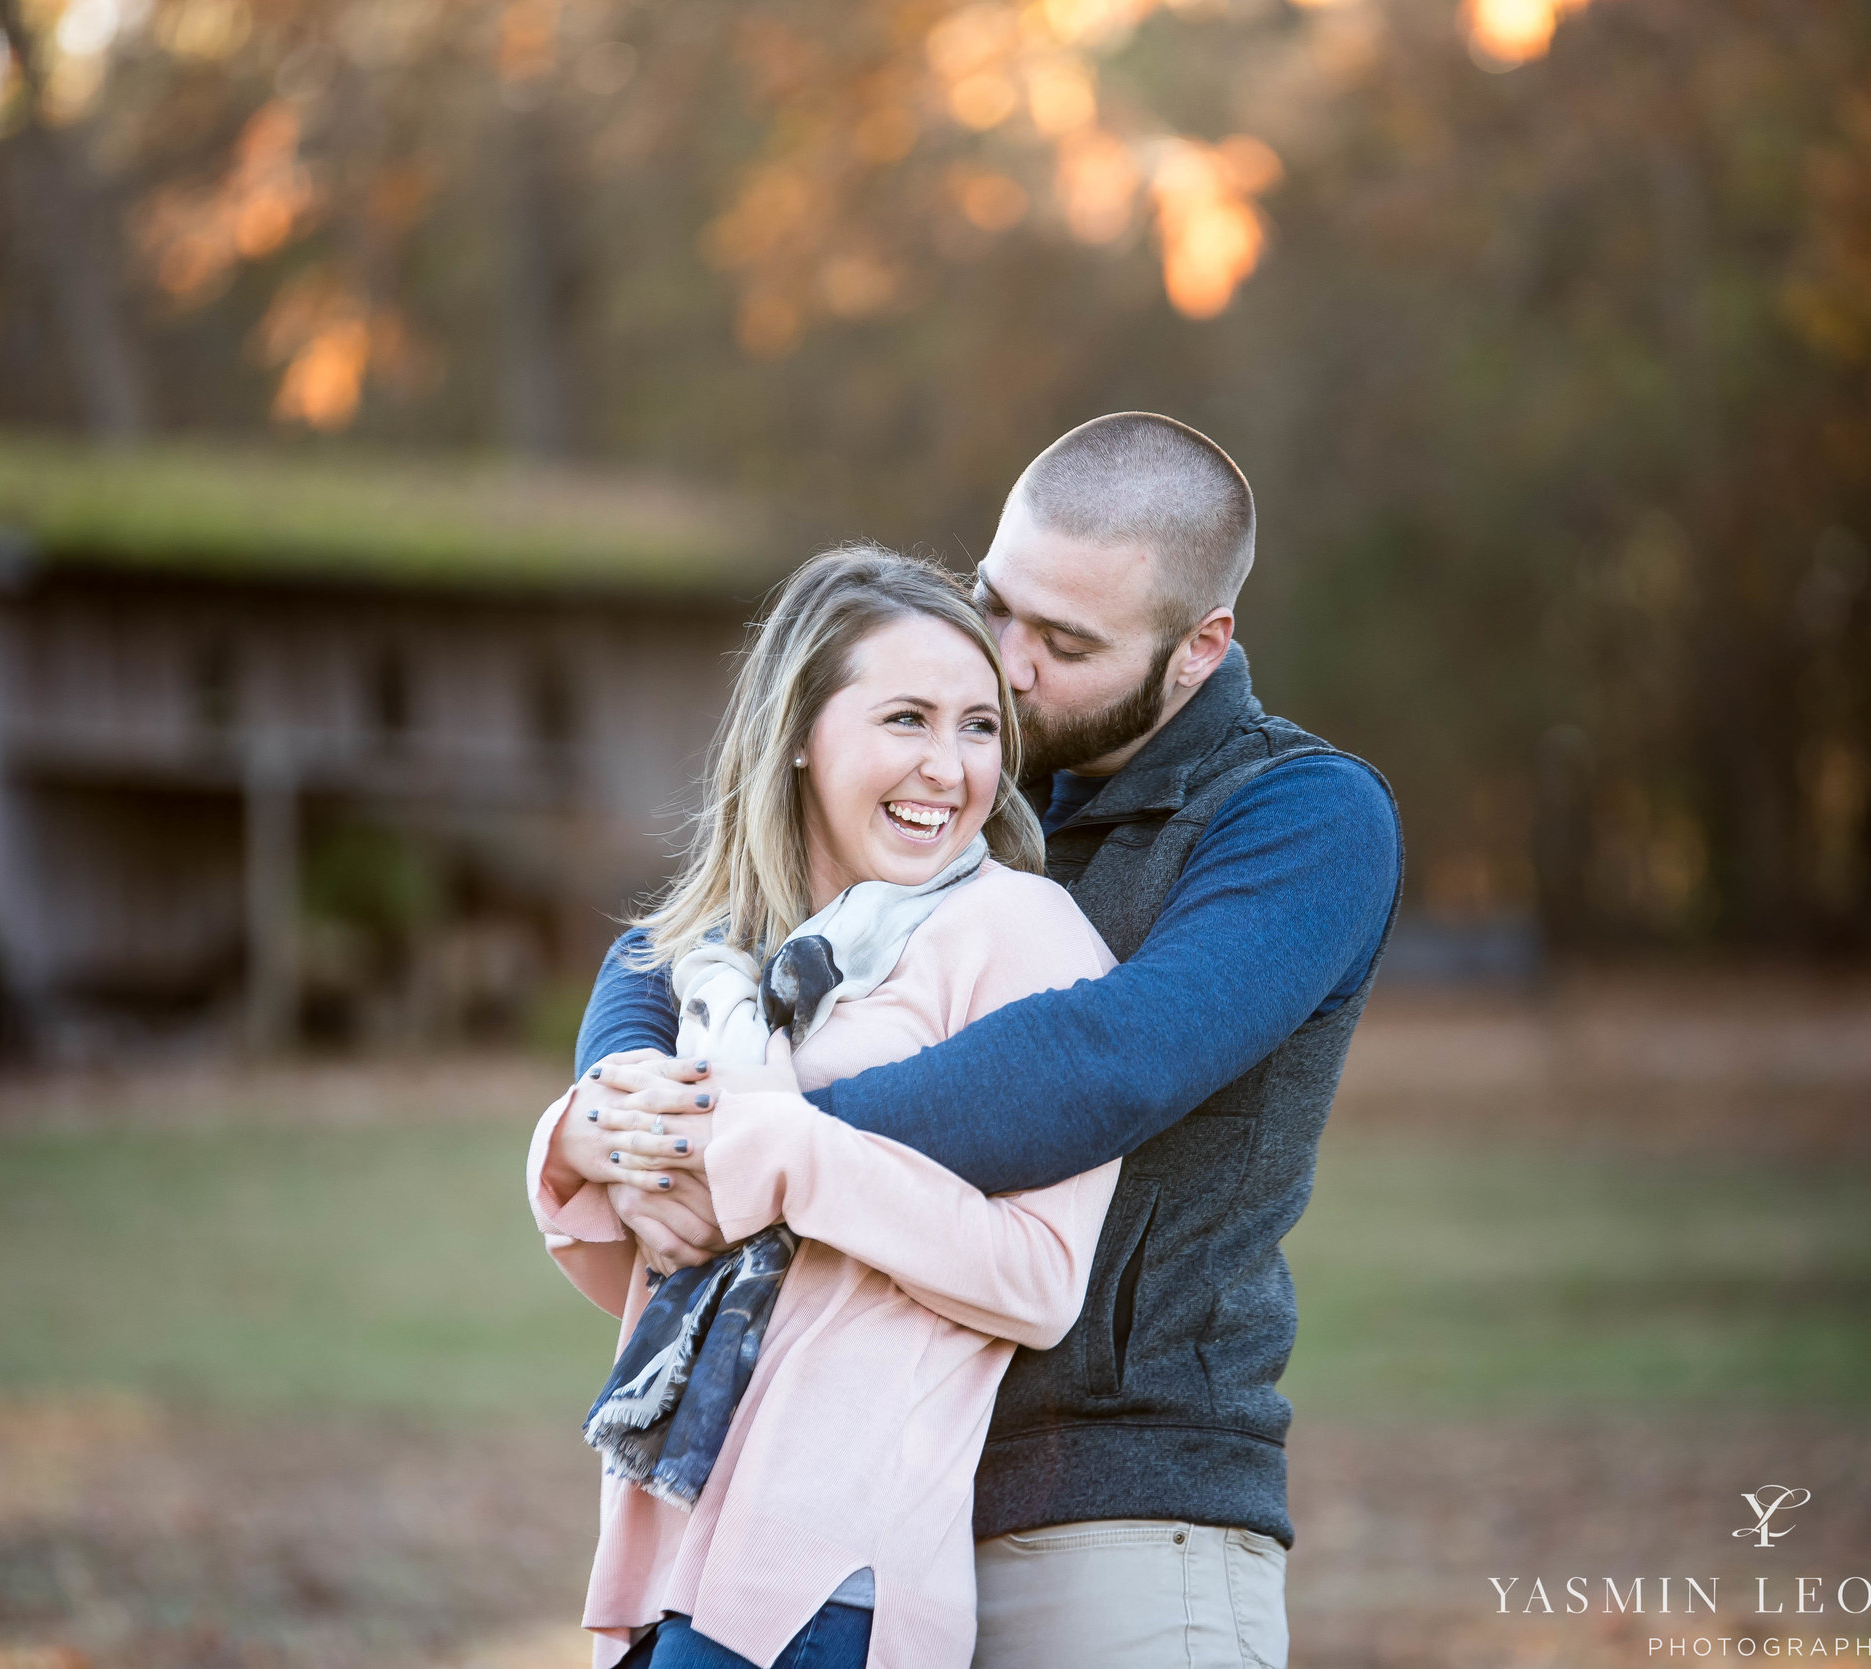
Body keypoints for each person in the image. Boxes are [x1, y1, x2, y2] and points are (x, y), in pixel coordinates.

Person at [577, 413, 1404, 1669]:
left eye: (1064, 643)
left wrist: (754, 1155)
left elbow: (1104, 1060)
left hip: (1121, 1516)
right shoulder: (964, 782)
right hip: (868, 1509)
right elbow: (697, 930)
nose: (1005, 668)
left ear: (1199, 649)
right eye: (993, 605)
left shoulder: (1299, 816)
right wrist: (617, 1093)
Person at [528, 546, 1123, 1669]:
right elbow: (658, 1266)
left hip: (831, 1576)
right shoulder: (719, 965)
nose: (948, 768)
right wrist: (586, 1141)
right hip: (663, 1544)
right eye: (905, 719)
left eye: (978, 726)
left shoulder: (1018, 933)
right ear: (799, 732)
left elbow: (1038, 1282)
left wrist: (789, 1157)